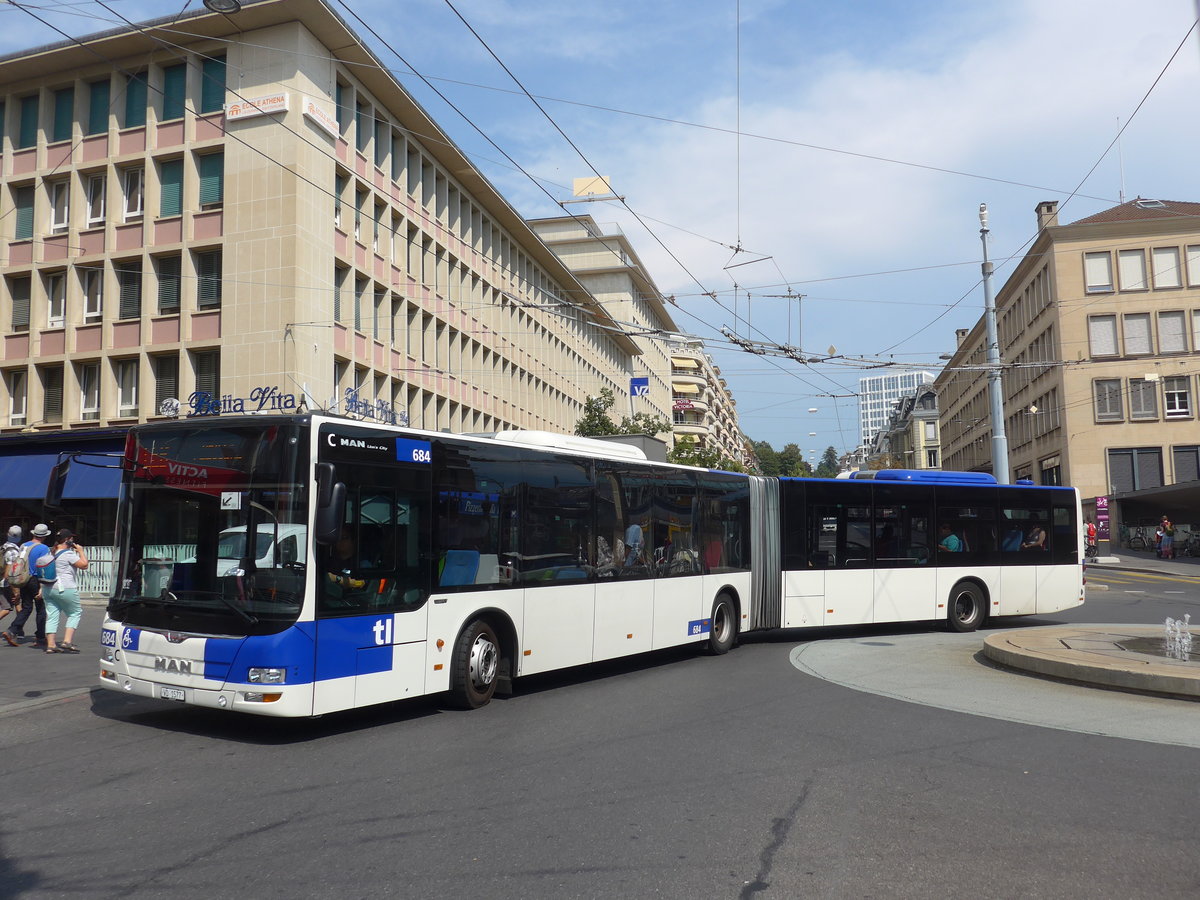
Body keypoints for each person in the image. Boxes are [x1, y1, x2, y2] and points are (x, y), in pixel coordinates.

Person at [40, 528, 88, 654]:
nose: (73, 540)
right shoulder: (68, 554)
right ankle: (67, 641)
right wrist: (81, 552)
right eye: (71, 538)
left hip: (48, 588)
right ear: (67, 540)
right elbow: (84, 565)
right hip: (65, 587)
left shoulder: (51, 552)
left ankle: (51, 645)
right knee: (75, 613)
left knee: (52, 616)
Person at [5, 523, 51, 648]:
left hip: (23, 579)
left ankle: (12, 630)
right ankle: (40, 637)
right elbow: (43, 567)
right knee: (41, 609)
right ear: (44, 536)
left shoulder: (23, 546)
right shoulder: (44, 548)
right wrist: (42, 587)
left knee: (26, 607)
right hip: (35, 579)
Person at [0, 525, 22, 645]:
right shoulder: (14, 551)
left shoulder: (3, 547)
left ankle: (18, 629)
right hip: (9, 583)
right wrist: (16, 590)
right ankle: (15, 630)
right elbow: (12, 571)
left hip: (1, 582)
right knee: (8, 608)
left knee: (16, 606)